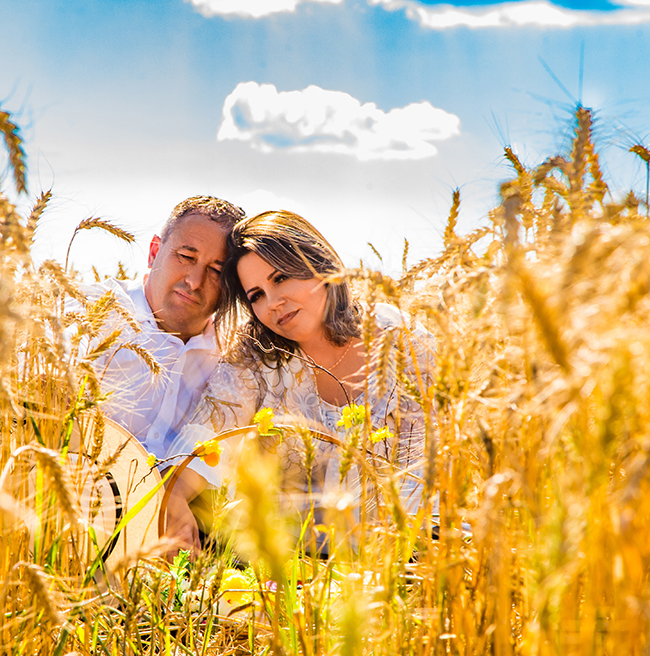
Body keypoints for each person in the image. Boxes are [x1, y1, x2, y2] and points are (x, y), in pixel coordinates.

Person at [163, 210, 431, 556]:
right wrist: (174, 499)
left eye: (281, 278)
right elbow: (203, 440)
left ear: (318, 264)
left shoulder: (402, 342)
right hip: (282, 577)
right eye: (256, 295)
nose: (273, 303)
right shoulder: (256, 357)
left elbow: (425, 473)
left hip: (396, 567)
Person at [77, 196, 246, 460]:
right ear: (154, 251)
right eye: (186, 256)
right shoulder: (86, 317)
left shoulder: (234, 362)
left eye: (216, 271)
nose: (194, 281)